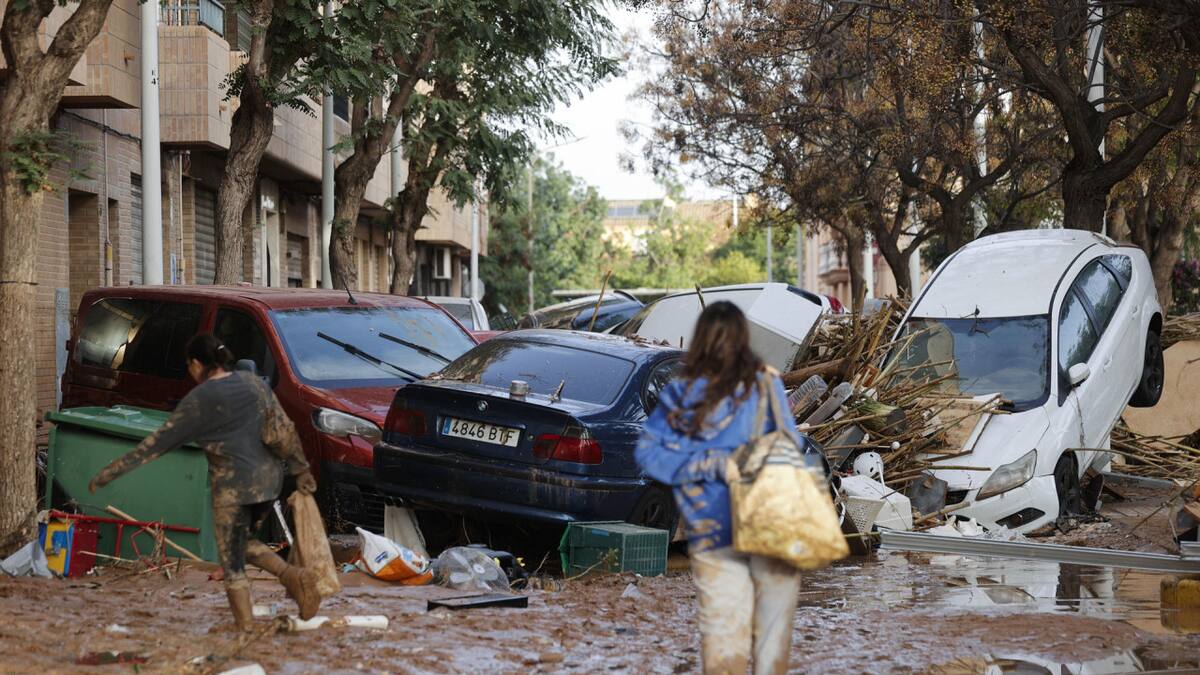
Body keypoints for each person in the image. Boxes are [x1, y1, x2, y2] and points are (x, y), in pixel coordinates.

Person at [89, 333, 322, 632]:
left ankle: (246, 628)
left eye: (190, 366)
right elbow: (283, 431)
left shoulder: (198, 401)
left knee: (232, 561)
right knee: (244, 544)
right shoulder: (253, 384)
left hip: (233, 490)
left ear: (198, 364)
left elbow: (156, 445)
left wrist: (109, 473)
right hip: (268, 483)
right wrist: (301, 470)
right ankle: (293, 577)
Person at [636, 301, 805, 675]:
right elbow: (789, 445)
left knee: (723, 632)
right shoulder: (766, 383)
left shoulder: (683, 392)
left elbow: (649, 454)